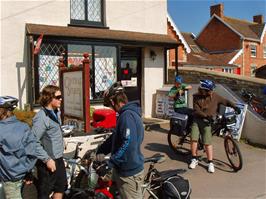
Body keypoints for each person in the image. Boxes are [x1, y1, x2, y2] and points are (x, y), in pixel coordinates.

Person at [96, 82, 144, 199]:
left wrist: (111, 162)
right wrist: (101, 149)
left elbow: (127, 143)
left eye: (110, 106)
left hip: (129, 173)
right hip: (122, 169)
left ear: (113, 102)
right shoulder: (126, 114)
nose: (111, 109)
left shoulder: (126, 116)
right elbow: (117, 137)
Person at [189, 80, 241, 173]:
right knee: (194, 139)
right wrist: (206, 116)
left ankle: (210, 163)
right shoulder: (196, 97)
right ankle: (194, 159)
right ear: (204, 90)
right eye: (209, 90)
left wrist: (235, 107)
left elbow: (225, 101)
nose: (211, 91)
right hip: (197, 120)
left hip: (207, 122)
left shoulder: (215, 96)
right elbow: (196, 110)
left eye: (211, 90)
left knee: (207, 142)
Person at [31, 85, 66, 199]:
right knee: (45, 193)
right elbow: (33, 141)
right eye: (58, 97)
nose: (61, 99)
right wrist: (47, 160)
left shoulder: (56, 112)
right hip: (48, 161)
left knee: (61, 187)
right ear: (49, 98)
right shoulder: (41, 117)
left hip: (58, 157)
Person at [0, 96, 37, 199]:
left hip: (8, 179)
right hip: (20, 176)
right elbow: (32, 153)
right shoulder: (24, 127)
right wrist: (27, 170)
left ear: (5, 111)